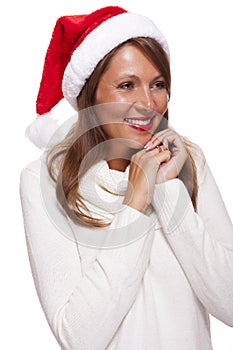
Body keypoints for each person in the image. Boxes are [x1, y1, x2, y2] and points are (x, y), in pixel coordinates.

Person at [20, 5, 233, 350]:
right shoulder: (44, 179)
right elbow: (78, 337)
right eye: (126, 85)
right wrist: (135, 201)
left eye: (158, 84)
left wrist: (168, 190)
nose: (148, 103)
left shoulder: (188, 161)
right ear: (91, 94)